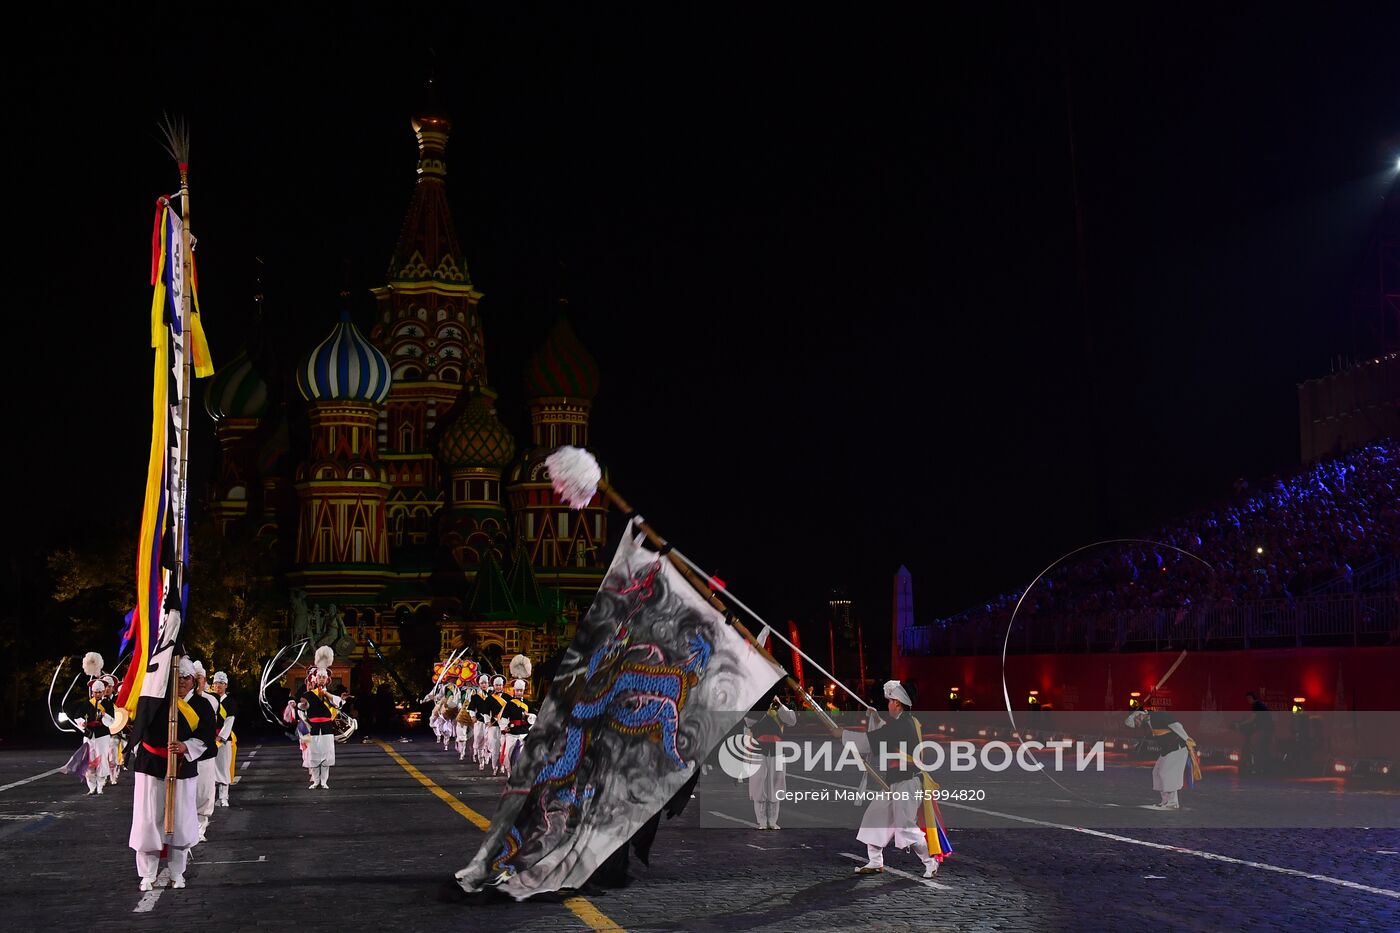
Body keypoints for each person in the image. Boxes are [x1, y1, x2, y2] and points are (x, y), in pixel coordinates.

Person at [128, 657, 216, 891]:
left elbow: (208, 736)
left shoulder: (202, 705)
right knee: (149, 821)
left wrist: (187, 746)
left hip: (183, 768)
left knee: (180, 822)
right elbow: (136, 727)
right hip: (151, 768)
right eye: (176, 678)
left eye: (186, 678)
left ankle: (177, 872)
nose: (181, 682)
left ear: (193, 680)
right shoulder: (154, 701)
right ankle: (147, 874)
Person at [846, 680, 947, 878]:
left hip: (907, 783)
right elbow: (886, 733)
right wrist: (875, 718)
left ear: (898, 703)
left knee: (906, 826)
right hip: (893, 783)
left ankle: (930, 862)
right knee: (873, 818)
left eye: (890, 701)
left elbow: (882, 737)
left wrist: (843, 736)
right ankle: (875, 861)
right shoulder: (905, 722)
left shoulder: (905, 724)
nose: (888, 704)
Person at [1126, 706, 1199, 809]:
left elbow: (1177, 726)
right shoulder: (1149, 722)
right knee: (1157, 772)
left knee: (1166, 773)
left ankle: (1173, 802)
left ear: (1140, 715)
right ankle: (1165, 801)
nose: (1137, 725)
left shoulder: (1159, 715)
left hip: (1177, 748)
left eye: (1136, 721)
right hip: (1167, 750)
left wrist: (1186, 738)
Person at [745, 694, 796, 830]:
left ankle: (773, 821)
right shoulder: (755, 707)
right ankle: (761, 821)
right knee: (758, 783)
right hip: (758, 748)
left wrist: (778, 706)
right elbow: (749, 722)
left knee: (776, 784)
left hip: (777, 749)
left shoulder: (780, 707)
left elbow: (792, 720)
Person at [297, 648, 342, 789]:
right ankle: (316, 781)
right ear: (315, 679)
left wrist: (326, 694)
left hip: (327, 726)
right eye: (319, 677)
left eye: (324, 677)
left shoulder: (332, 694)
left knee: (326, 754)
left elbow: (339, 702)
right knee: (314, 754)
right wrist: (299, 705)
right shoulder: (308, 694)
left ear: (327, 679)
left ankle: (324, 781)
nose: (321, 679)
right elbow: (302, 707)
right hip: (314, 727)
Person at [65, 674, 116, 795]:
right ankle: (91, 786)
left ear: (103, 692)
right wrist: (82, 723)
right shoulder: (87, 704)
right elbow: (77, 716)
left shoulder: (108, 704)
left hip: (102, 736)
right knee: (89, 761)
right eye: (95, 692)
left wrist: (105, 715)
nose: (97, 694)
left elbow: (112, 721)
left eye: (99, 692)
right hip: (89, 736)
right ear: (92, 692)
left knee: (102, 759)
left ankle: (100, 786)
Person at [190, 661, 220, 842]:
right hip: (185, 756)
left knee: (203, 792)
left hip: (205, 755)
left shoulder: (210, 700)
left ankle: (200, 829)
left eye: (200, 678)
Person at [210, 671, 237, 807]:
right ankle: (209, 798)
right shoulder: (209, 699)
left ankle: (223, 797)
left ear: (226, 685)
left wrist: (220, 737)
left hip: (223, 739)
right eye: (215, 683)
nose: (217, 686)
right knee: (209, 769)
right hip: (209, 738)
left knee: (223, 767)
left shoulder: (229, 702)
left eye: (220, 683)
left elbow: (229, 720)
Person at [1233, 691, 1274, 774]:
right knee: (1263, 749)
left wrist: (1240, 724)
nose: (1248, 700)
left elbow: (1252, 719)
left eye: (1248, 698)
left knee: (1258, 748)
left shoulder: (1256, 705)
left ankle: (1258, 768)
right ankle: (1262, 768)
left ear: (1251, 698)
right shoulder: (1260, 705)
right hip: (1267, 730)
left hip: (1264, 730)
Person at [499, 679, 532, 778]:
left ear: (523, 691)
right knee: (509, 753)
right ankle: (509, 773)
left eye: (521, 691)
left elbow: (534, 717)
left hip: (524, 732)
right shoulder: (509, 704)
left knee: (523, 755)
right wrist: (504, 727)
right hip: (512, 732)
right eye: (517, 690)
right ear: (514, 691)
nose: (519, 693)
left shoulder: (528, 703)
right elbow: (504, 717)